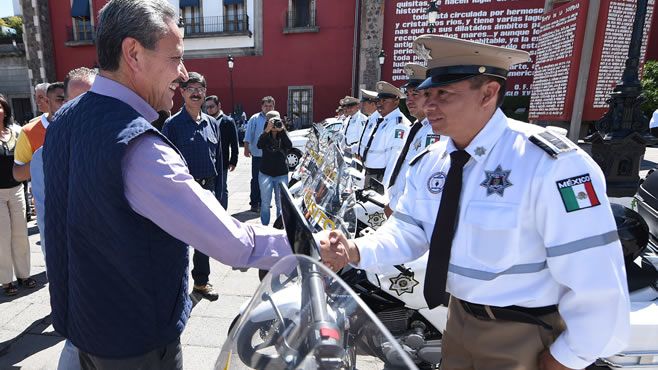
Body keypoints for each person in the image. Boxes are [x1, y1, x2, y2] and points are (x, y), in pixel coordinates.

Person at [320, 35, 630, 370]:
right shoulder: (433, 160)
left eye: (444, 94)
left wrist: (571, 356)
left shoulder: (549, 163)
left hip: (523, 334)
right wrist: (352, 250)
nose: (428, 106)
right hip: (458, 322)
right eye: (428, 93)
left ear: (488, 93)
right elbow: (409, 230)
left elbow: (594, 275)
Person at [43, 1, 291, 368]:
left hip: (86, 327)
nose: (183, 72)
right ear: (133, 54)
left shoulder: (64, 119)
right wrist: (309, 245)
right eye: (175, 57)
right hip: (136, 342)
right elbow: (233, 243)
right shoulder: (138, 146)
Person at [162, 72, 222, 302]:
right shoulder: (172, 125)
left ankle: (201, 282)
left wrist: (220, 195)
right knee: (178, 242)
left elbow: (219, 162)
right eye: (190, 88)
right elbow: (165, 163)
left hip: (208, 190)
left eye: (200, 88)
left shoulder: (212, 124)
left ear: (205, 93)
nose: (196, 92)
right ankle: (174, 286)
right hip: (183, 192)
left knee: (204, 239)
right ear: (182, 92)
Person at [384, 63, 445, 216]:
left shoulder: (434, 131)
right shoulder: (417, 127)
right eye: (408, 94)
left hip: (409, 211)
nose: (409, 100)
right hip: (398, 204)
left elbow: (422, 176)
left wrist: (394, 204)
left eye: (415, 94)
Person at [0, 94, 34, 296]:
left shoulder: (16, 131)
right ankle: (6, 280)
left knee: (21, 234)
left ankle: (24, 274)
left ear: (5, 110)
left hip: (17, 189)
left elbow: (24, 157)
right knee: (2, 236)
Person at [359, 81, 411, 186]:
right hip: (371, 174)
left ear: (396, 101)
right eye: (378, 100)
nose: (379, 104)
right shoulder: (384, 121)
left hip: (381, 178)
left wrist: (386, 189)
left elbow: (394, 160)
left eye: (384, 100)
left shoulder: (398, 125)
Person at [12, 82, 65, 182]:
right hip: (47, 196)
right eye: (60, 99)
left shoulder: (84, 126)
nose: (66, 103)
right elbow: (18, 175)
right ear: (47, 100)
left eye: (70, 100)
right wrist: (44, 157)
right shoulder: (28, 131)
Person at [257, 110, 292, 226]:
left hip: (281, 173)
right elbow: (259, 145)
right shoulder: (265, 134)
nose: (274, 125)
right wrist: (267, 131)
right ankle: (264, 228)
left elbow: (289, 145)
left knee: (281, 203)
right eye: (271, 122)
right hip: (265, 173)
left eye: (276, 121)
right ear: (267, 122)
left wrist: (281, 131)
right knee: (265, 203)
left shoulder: (283, 133)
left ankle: (279, 227)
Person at [205, 95, 239, 209]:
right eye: (207, 107)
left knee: (222, 187)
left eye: (212, 106)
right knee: (209, 188)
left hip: (223, 161)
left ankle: (223, 213)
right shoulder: (204, 121)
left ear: (219, 105)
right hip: (208, 161)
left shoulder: (228, 121)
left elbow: (234, 143)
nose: (209, 109)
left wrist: (233, 160)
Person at [244, 96, 275, 212]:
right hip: (258, 155)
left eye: (270, 106)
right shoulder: (255, 118)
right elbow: (248, 134)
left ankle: (264, 202)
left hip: (271, 156)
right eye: (265, 106)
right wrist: (246, 148)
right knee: (256, 180)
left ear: (273, 106)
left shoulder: (276, 119)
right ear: (261, 106)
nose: (268, 108)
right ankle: (254, 203)